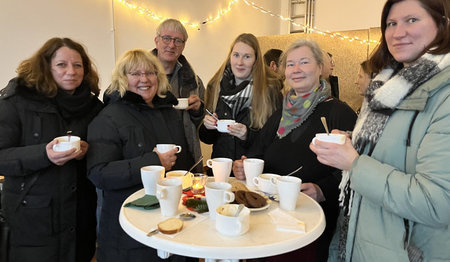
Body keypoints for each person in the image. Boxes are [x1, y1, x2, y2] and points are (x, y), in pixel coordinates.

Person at [310, 0, 450, 261]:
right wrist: (355, 143)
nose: (398, 32)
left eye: (412, 20)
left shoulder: (444, 95)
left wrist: (355, 163)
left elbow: (438, 202)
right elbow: (395, 150)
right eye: (391, 23)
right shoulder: (387, 87)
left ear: (442, 24)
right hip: (357, 241)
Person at [233, 38, 357, 262]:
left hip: (310, 224)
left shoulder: (338, 112)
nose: (296, 70)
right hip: (269, 218)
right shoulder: (281, 112)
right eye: (290, 64)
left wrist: (322, 189)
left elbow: (354, 168)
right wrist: (245, 167)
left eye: (304, 62)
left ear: (320, 67)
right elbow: (257, 150)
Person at [0, 37, 103, 262]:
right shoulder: (17, 101)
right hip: (31, 220)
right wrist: (43, 154)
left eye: (78, 65)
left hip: (79, 217)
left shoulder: (93, 107)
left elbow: (103, 156)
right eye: (61, 64)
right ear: (46, 66)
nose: (71, 71)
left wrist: (87, 151)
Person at [87, 49, 195, 262]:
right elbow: (99, 173)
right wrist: (153, 163)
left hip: (173, 220)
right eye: (135, 74)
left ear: (159, 77)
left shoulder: (168, 112)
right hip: (130, 232)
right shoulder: (109, 117)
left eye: (150, 73)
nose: (144, 79)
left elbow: (183, 160)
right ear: (123, 79)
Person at [199, 33, 283, 162]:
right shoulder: (216, 86)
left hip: (251, 170)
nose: (240, 62)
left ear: (256, 60)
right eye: (236, 55)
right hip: (221, 169)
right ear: (230, 57)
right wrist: (207, 127)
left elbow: (275, 139)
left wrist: (247, 135)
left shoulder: (270, 90)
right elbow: (207, 139)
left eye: (247, 57)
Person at [152, 18, 205, 171]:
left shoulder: (194, 81)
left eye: (178, 41)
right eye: (166, 38)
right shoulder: (140, 76)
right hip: (152, 154)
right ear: (156, 41)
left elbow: (202, 125)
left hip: (185, 154)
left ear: (183, 46)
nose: (171, 45)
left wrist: (198, 110)